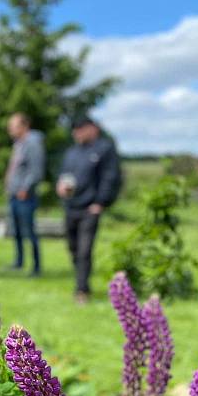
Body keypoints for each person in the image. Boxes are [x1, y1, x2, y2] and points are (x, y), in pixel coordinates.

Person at [58, 116, 122, 303]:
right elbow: (63, 174)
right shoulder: (72, 152)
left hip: (90, 208)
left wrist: (101, 202)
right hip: (70, 206)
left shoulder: (104, 149)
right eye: (74, 130)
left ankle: (82, 290)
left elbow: (111, 177)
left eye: (80, 129)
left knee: (85, 250)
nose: (76, 133)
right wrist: (60, 186)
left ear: (92, 129)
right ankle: (81, 279)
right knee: (74, 248)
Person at [6, 113, 46, 276]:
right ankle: (19, 261)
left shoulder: (33, 143)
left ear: (24, 126)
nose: (10, 130)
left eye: (13, 126)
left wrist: (25, 188)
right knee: (16, 230)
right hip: (14, 193)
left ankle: (36, 267)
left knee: (29, 230)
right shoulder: (18, 144)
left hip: (25, 195)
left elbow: (36, 171)